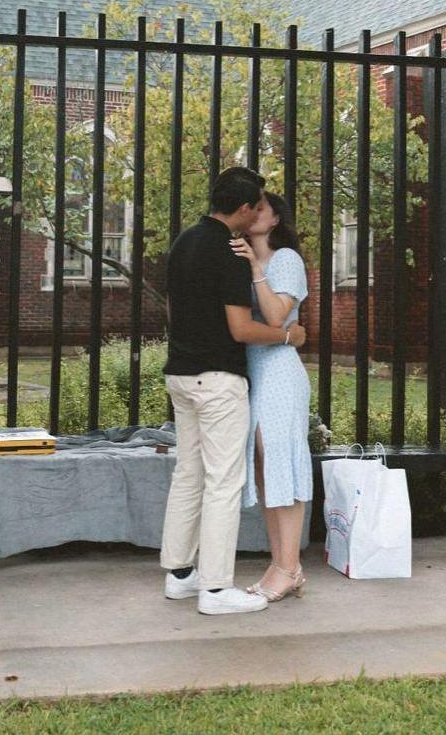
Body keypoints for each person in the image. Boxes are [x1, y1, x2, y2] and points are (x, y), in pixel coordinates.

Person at [161, 167, 307, 616]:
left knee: (189, 472)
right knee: (223, 481)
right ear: (244, 208)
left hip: (181, 374)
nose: (259, 213)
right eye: (256, 205)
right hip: (217, 380)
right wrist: (287, 337)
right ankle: (217, 588)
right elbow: (242, 329)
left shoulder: (185, 240)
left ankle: (180, 575)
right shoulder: (227, 252)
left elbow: (173, 309)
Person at [230, 192, 312, 602]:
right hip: (253, 371)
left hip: (280, 370)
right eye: (250, 207)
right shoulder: (240, 258)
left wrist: (255, 269)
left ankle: (289, 565)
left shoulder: (285, 261)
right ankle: (281, 563)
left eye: (261, 207)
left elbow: (279, 317)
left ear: (277, 217)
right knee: (263, 466)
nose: (253, 213)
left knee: (280, 460)